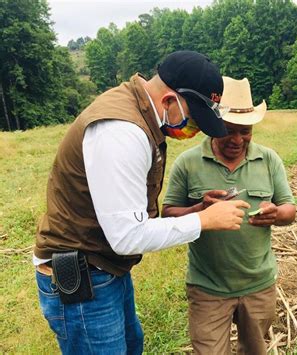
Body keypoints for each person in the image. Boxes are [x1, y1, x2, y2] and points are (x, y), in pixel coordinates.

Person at [33, 51, 250, 354]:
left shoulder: (140, 115)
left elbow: (128, 216)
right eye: (196, 118)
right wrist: (205, 221)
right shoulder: (122, 131)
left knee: (132, 345)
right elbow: (127, 236)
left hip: (104, 269)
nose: (195, 129)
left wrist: (198, 209)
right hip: (85, 281)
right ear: (169, 101)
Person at [162, 76, 297, 354]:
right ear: (212, 126)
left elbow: (290, 210)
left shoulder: (269, 160)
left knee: (254, 350)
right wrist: (200, 209)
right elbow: (167, 215)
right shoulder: (187, 164)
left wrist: (275, 214)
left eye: (245, 131)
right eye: (228, 130)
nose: (238, 140)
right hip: (207, 287)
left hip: (258, 284)